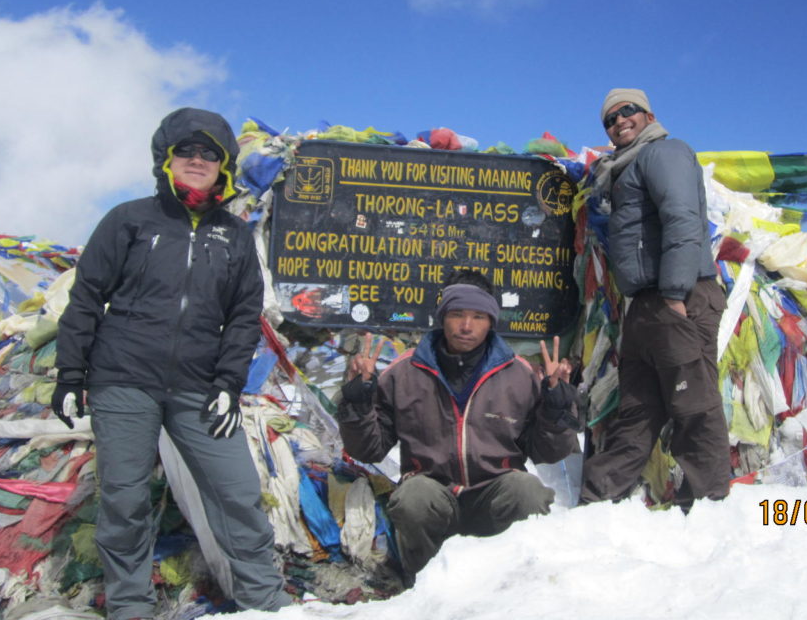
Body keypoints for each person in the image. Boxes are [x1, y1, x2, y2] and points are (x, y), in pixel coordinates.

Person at [51, 107, 290, 620]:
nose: (197, 160)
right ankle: (130, 607)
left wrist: (229, 381)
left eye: (210, 153)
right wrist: (71, 373)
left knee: (239, 492)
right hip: (124, 379)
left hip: (200, 387)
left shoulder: (234, 236)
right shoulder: (129, 220)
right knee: (125, 499)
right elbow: (87, 297)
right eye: (187, 150)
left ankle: (267, 605)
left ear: (224, 164)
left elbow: (244, 315)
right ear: (166, 158)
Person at [337, 270, 579, 584]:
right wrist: (357, 401)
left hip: (492, 493)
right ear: (442, 317)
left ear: (491, 321)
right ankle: (423, 586)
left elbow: (546, 452)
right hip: (434, 495)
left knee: (529, 491)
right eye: (457, 314)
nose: (466, 326)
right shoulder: (405, 372)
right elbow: (367, 450)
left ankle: (514, 584)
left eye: (478, 316)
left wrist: (556, 406)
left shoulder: (518, 373)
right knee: (413, 497)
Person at [580, 88, 731, 510]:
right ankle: (598, 500)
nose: (618, 122)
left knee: (693, 405)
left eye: (627, 111)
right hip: (645, 307)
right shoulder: (622, 169)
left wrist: (674, 295)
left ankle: (707, 504)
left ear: (649, 114)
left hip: (676, 297)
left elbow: (682, 220)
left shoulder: (663, 153)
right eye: (609, 119)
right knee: (637, 409)